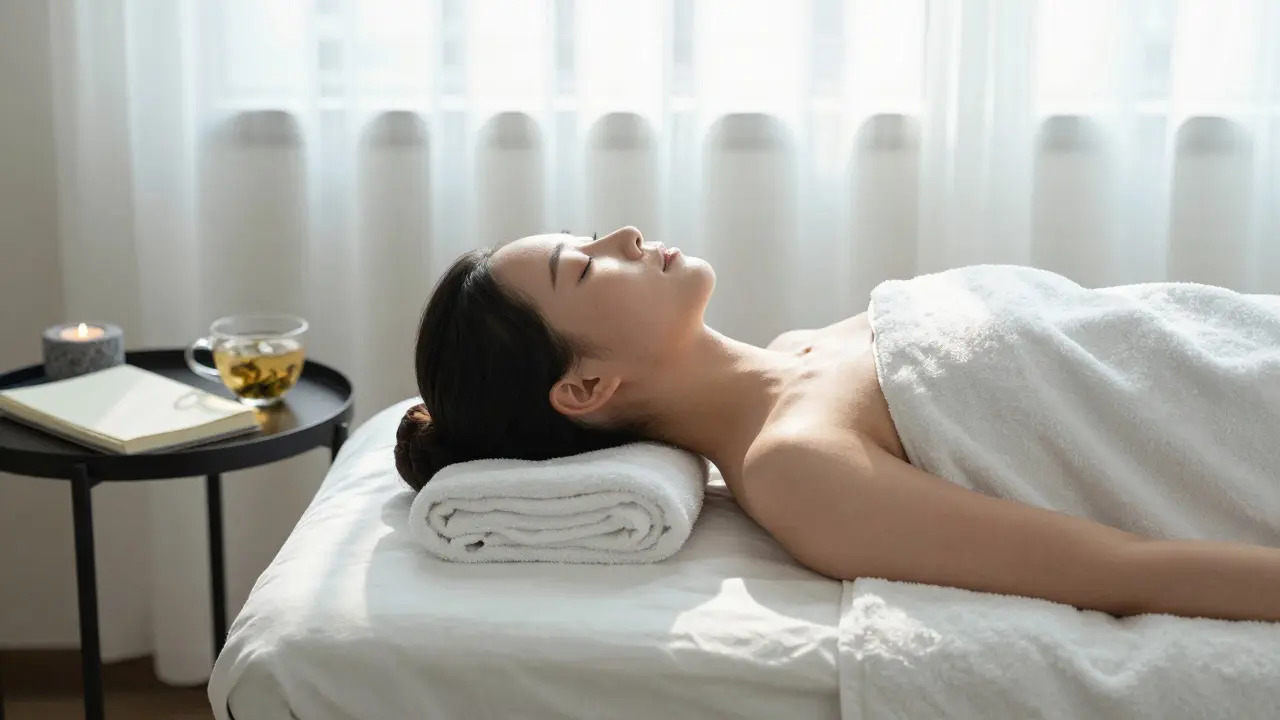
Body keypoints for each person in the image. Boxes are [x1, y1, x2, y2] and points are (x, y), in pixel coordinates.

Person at [395, 226, 1280, 623]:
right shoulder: (795, 469)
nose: (622, 235)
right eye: (584, 268)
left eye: (588, 235)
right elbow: (1116, 570)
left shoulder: (806, 348)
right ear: (585, 386)